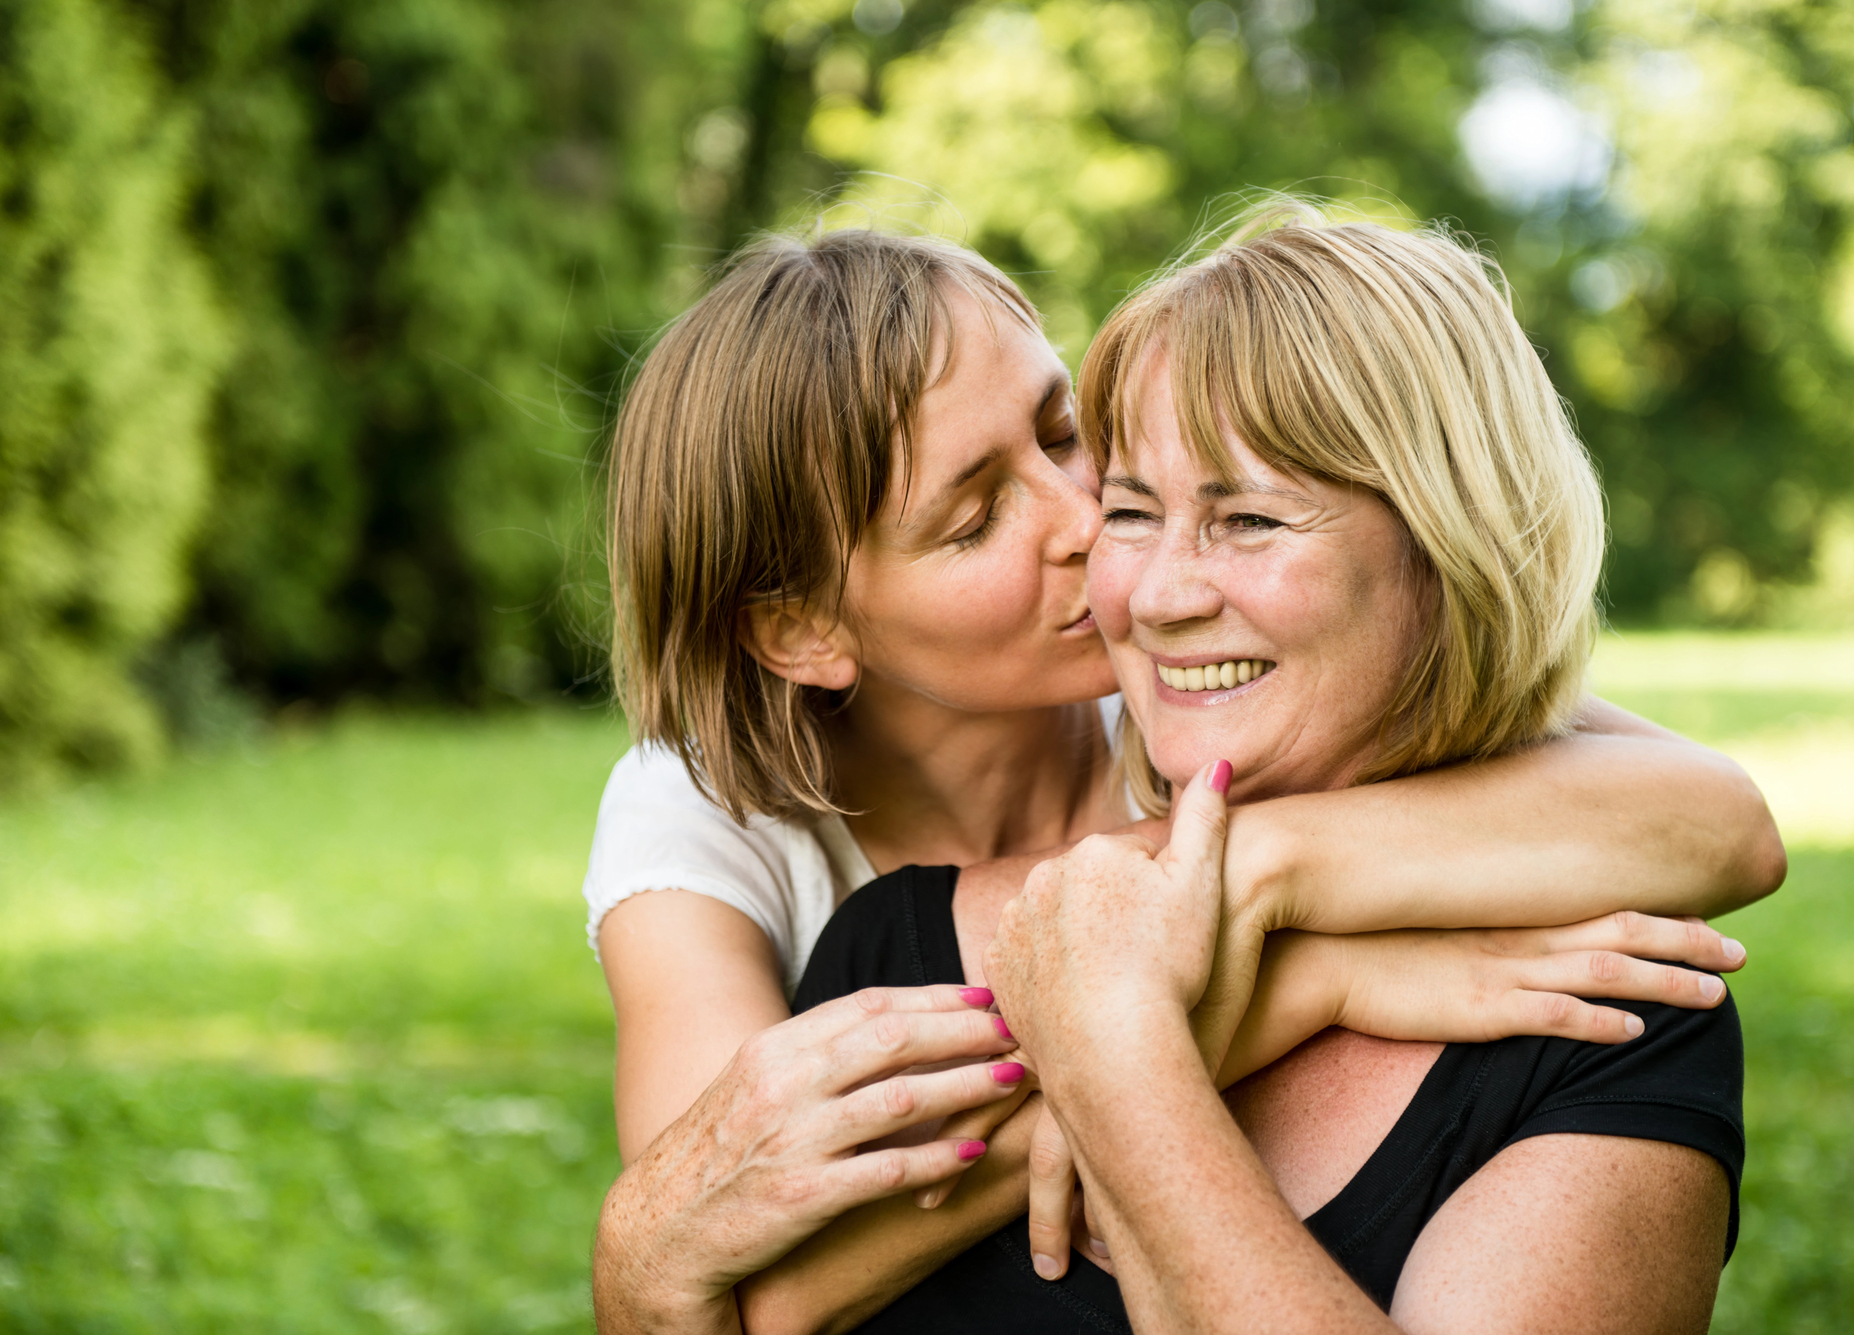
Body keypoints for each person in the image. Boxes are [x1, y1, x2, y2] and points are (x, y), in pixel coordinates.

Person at [588, 226, 1782, 1333]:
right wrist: (1305, 981)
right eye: (971, 521)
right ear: (799, 629)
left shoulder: (1192, 689)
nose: (1088, 526)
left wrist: (1249, 874)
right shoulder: (708, 821)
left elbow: (1716, 818)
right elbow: (728, 1256)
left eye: (1064, 436)